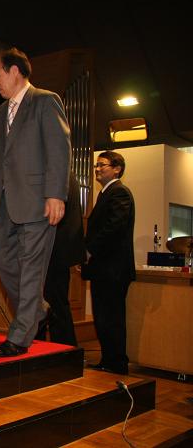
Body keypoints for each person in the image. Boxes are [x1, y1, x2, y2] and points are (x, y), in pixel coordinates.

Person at [0, 48, 71, 357]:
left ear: (14, 71)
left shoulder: (45, 101)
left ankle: (20, 336)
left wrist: (56, 194)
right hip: (6, 206)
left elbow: (59, 149)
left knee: (30, 271)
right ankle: (38, 311)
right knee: (6, 268)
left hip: (39, 203)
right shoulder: (0, 114)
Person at [83, 151, 135, 375]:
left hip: (113, 269)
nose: (97, 169)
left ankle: (116, 362)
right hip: (103, 268)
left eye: (102, 165)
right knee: (103, 316)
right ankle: (108, 360)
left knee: (111, 317)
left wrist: (89, 250)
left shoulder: (119, 192)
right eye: (96, 165)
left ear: (117, 169)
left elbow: (113, 227)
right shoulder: (105, 194)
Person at [34, 171, 86, 346]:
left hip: (54, 249)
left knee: (53, 303)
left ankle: (62, 347)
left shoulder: (57, 176)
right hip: (60, 250)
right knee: (53, 301)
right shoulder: (66, 175)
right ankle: (53, 345)